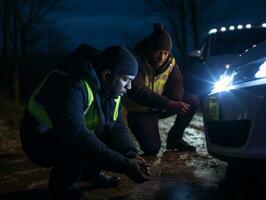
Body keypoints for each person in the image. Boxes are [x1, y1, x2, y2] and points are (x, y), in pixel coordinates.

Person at [20, 44, 150, 200]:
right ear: (107, 75)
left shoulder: (111, 88)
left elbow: (117, 127)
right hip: (39, 139)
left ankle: (90, 173)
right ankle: (63, 184)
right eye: (125, 79)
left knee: (101, 132)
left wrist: (130, 156)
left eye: (132, 80)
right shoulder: (70, 84)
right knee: (77, 140)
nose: (129, 86)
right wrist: (125, 166)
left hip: (67, 133)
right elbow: (75, 135)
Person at [123, 23, 200, 155]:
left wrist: (176, 101)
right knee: (152, 149)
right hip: (139, 112)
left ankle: (175, 138)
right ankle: (146, 131)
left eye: (165, 53)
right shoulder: (135, 62)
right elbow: (138, 92)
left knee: (192, 100)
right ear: (149, 50)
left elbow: (177, 85)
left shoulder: (170, 62)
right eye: (157, 52)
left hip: (159, 106)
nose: (161, 57)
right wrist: (169, 103)